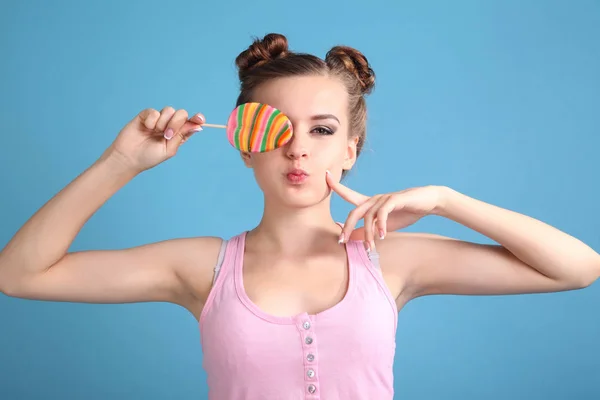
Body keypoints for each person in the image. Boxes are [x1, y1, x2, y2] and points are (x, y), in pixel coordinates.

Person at [0, 32, 598, 399]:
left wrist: (446, 199)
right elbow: (19, 274)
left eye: (322, 129)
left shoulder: (388, 259)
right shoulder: (201, 267)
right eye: (277, 129)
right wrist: (121, 162)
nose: (299, 149)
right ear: (243, 144)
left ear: (350, 150)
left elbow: (577, 268)